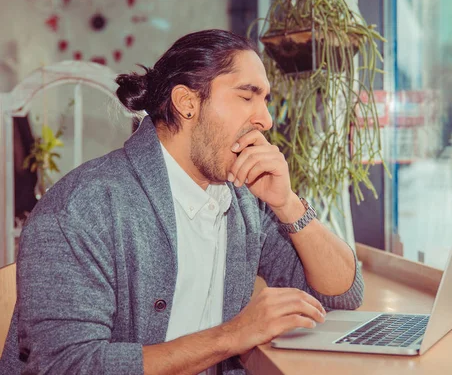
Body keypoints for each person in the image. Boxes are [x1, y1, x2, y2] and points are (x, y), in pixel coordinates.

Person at [0, 29, 363, 375]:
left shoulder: (243, 199)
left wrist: (287, 203)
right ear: (187, 103)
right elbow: (67, 367)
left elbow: (340, 294)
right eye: (247, 96)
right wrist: (231, 336)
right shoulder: (81, 208)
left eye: (265, 100)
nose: (265, 119)